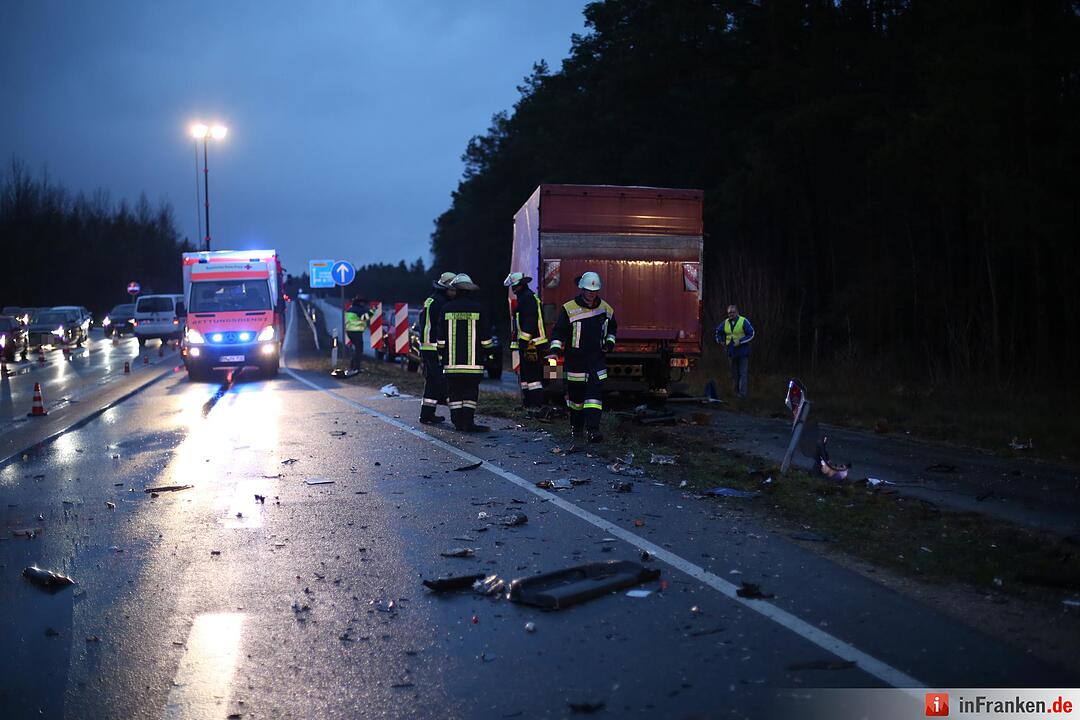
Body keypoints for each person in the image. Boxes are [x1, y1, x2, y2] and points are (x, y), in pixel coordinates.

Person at [548, 271, 617, 450]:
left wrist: (609, 344)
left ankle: (593, 430)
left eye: (594, 291)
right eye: (588, 290)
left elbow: (612, 331)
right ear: (582, 289)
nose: (591, 294)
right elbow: (558, 332)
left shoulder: (606, 309)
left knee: (594, 398)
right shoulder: (569, 308)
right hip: (575, 361)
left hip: (596, 360)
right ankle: (576, 427)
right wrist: (555, 351)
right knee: (576, 400)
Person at [437, 274, 494, 432]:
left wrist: (441, 356)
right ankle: (468, 423)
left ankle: (457, 423)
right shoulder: (479, 309)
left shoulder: (446, 309)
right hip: (473, 364)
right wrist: (489, 354)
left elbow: (440, 338)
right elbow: (486, 338)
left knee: (454, 393)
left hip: (451, 364)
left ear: (456, 290)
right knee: (470, 393)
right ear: (470, 291)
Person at [418, 271, 458, 424]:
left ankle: (427, 413)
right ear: (446, 288)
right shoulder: (441, 303)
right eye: (453, 289)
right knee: (437, 380)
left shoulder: (432, 299)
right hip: (434, 347)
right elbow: (442, 326)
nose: (454, 293)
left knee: (432, 381)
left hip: (427, 346)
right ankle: (451, 412)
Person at [504, 271, 547, 412]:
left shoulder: (527, 299)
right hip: (529, 343)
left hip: (532, 344)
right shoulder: (526, 297)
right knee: (526, 374)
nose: (512, 290)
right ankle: (527, 403)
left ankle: (535, 404)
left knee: (533, 375)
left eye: (513, 287)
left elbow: (530, 322)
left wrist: (523, 341)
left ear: (518, 286)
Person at [716, 304, 754, 398]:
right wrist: (720, 340)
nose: (731, 314)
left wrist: (740, 341)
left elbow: (751, 333)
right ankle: (735, 393)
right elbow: (718, 331)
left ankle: (742, 395)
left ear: (737, 312)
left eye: (733, 312)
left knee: (743, 374)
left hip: (742, 352)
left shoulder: (743, 321)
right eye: (729, 312)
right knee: (734, 374)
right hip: (731, 353)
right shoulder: (725, 322)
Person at [344, 296, 373, 374]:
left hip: (350, 331)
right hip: (356, 332)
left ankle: (353, 366)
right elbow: (365, 317)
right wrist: (372, 311)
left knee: (357, 350)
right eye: (363, 303)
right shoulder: (358, 310)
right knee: (359, 350)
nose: (364, 305)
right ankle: (356, 368)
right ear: (360, 303)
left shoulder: (350, 309)